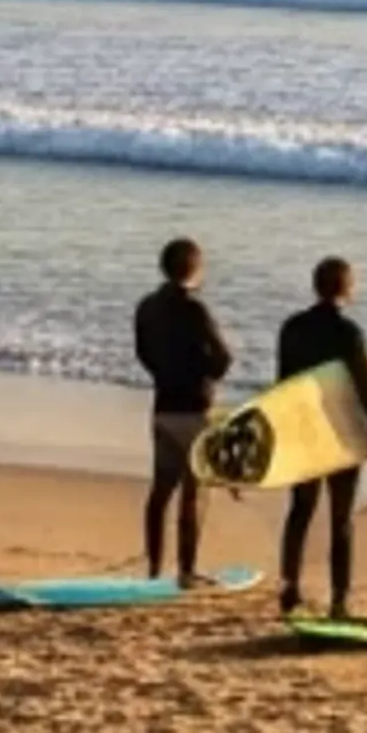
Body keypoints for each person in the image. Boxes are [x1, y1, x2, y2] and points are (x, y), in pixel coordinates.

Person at [275, 253, 367, 621]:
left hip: (304, 431)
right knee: (340, 520)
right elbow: (365, 386)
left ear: (316, 287)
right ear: (347, 289)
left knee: (300, 512)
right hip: (340, 434)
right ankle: (339, 601)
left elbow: (283, 386)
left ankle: (289, 590)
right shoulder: (348, 333)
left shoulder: (291, 327)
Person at [132, 235, 233, 585]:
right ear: (195, 269)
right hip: (194, 407)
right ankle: (187, 571)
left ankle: (154, 568)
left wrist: (164, 373)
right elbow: (223, 356)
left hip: (163, 405)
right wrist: (207, 377)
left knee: (160, 490)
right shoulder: (195, 308)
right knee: (195, 492)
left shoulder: (147, 306)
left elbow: (143, 352)